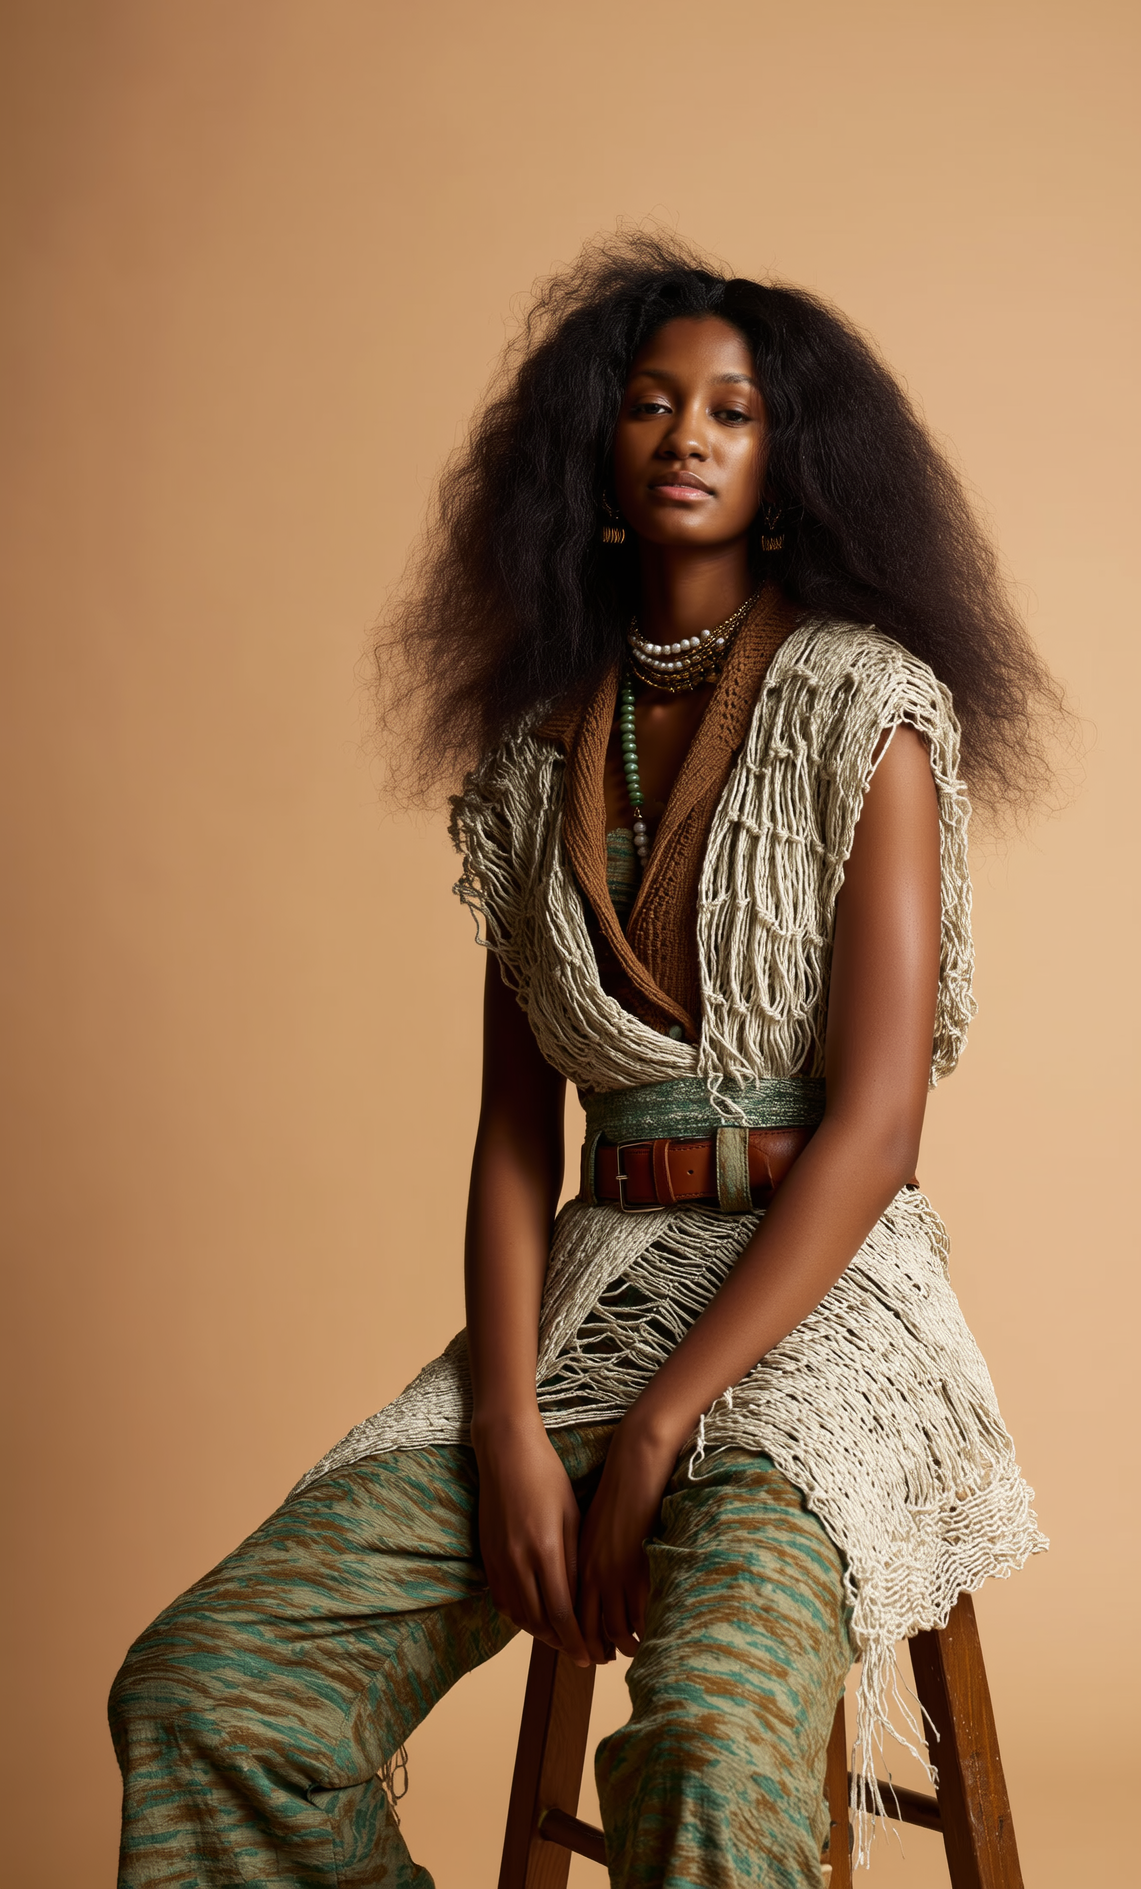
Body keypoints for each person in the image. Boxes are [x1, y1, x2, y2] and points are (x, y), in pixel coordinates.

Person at [109, 235, 1062, 1889]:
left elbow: (881, 1121)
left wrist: (652, 1434)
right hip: (589, 1299)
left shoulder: (866, 710)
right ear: (596, 456)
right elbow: (506, 1139)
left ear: (787, 466)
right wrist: (504, 1428)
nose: (688, 432)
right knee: (203, 1689)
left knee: (704, 1740)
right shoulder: (533, 752)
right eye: (649, 404)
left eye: (735, 410)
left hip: (821, 1319)